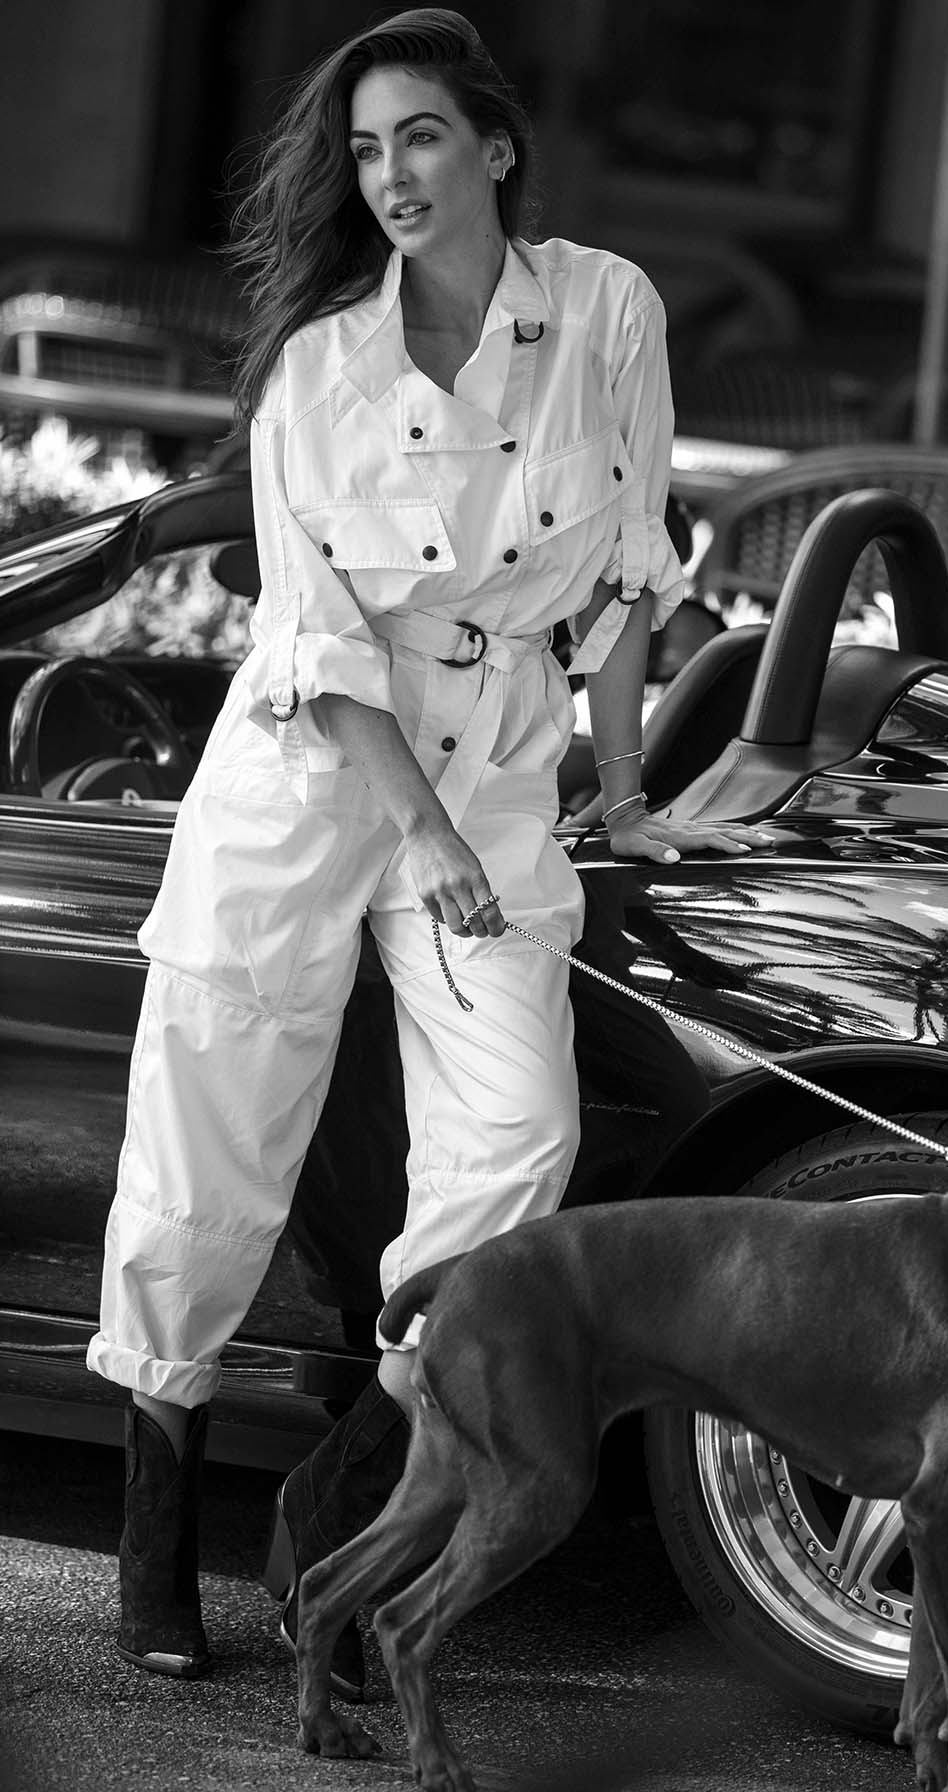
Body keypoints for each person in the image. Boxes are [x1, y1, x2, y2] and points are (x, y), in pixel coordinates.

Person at [85, 6, 769, 1695]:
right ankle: (155, 1517)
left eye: (423, 140)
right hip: (314, 777)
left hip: (508, 761)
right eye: (368, 149)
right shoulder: (318, 369)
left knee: (514, 1142)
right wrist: (426, 835)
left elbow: (630, 565)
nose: (390, 175)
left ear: (496, 150)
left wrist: (617, 776)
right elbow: (315, 637)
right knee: (207, 1152)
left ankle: (350, 1500)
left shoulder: (605, 307)